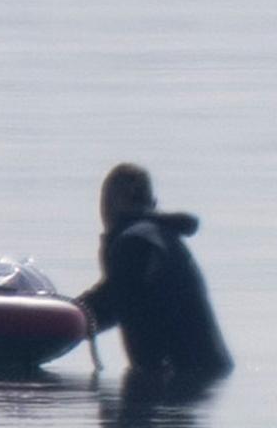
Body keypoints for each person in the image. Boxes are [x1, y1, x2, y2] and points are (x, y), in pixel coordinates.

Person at [77, 163, 232, 381]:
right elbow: (118, 301)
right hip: (205, 379)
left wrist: (59, 317)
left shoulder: (134, 243)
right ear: (153, 203)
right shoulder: (162, 238)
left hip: (178, 384)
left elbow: (111, 300)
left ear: (108, 205)